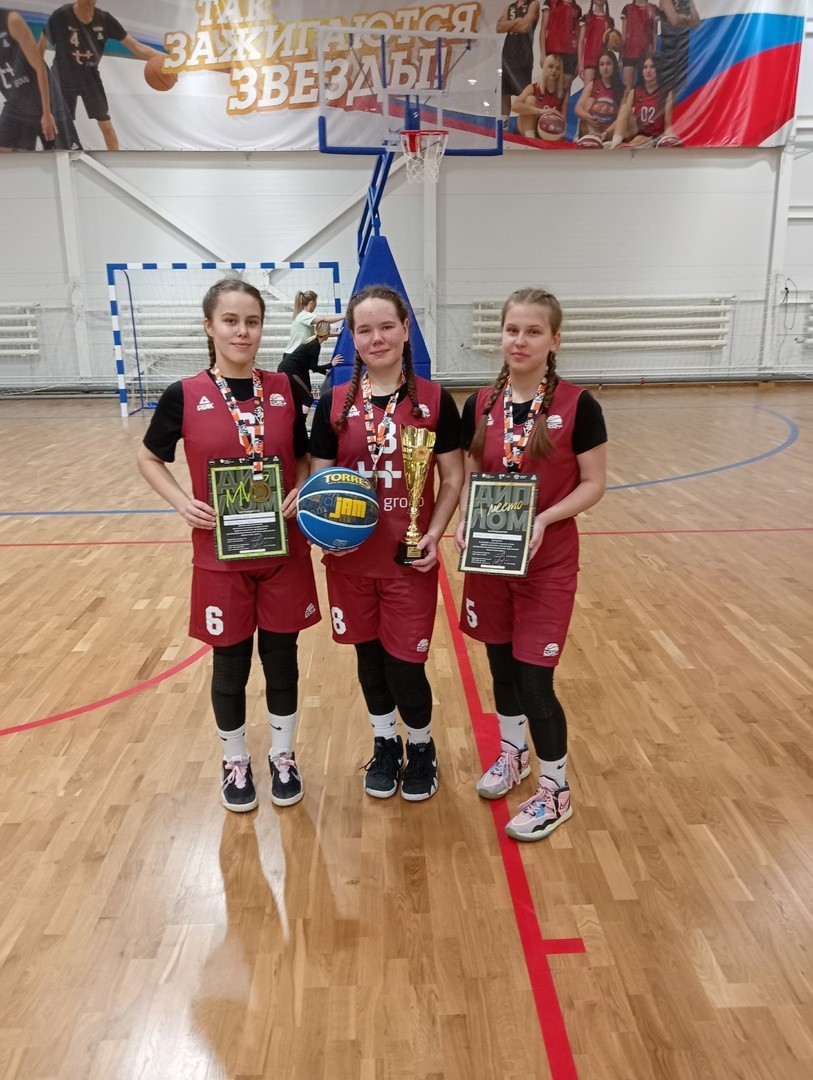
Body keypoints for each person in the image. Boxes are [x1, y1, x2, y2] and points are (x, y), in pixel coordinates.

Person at [137, 278, 321, 813]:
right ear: (209, 326)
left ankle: (283, 755)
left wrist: (301, 486)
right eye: (231, 321)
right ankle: (234, 759)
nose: (243, 332)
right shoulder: (183, 394)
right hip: (220, 554)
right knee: (231, 662)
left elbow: (303, 456)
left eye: (252, 322)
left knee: (282, 658)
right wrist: (180, 502)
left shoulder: (286, 388)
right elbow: (149, 457)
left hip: (282, 550)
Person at [454, 288, 607, 842]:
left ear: (554, 340)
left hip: (547, 563)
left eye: (533, 331)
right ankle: (513, 754)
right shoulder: (480, 403)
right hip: (492, 559)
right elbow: (474, 470)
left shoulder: (579, 405)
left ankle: (555, 790)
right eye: (512, 330)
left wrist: (545, 518)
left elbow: (594, 483)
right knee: (501, 670)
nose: (520, 341)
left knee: (535, 681)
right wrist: (466, 519)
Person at [309, 285, 463, 802]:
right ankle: (385, 743)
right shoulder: (333, 405)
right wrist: (327, 536)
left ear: (405, 330)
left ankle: (421, 745)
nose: (377, 338)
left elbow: (453, 478)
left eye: (386, 327)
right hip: (350, 561)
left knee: (405, 666)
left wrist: (434, 534)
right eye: (365, 329)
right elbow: (319, 484)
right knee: (369, 660)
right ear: (353, 339)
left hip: (407, 561)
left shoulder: (436, 401)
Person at [39, 1, 165, 150]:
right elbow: (40, 47)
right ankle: (58, 159)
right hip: (63, 77)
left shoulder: (104, 19)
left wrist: (169, 60)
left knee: (106, 125)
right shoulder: (61, 16)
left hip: (90, 77)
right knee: (60, 126)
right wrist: (37, 74)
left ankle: (115, 160)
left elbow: (137, 48)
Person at [0, 7, 56, 150]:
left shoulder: (11, 20)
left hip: (41, 101)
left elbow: (39, 66)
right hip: (15, 104)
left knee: (57, 153)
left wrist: (47, 112)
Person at [277, 319, 344, 417]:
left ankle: (294, 419)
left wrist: (325, 372)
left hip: (294, 369)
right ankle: (300, 422)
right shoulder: (315, 345)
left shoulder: (313, 339)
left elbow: (309, 365)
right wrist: (331, 364)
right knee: (308, 398)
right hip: (291, 370)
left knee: (301, 395)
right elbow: (314, 368)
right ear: (326, 334)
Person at [612, 52, 674, 147]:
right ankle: (614, 146)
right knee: (624, 108)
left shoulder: (666, 94)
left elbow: (668, 126)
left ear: (658, 69)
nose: (648, 70)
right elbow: (622, 118)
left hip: (653, 137)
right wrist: (605, 133)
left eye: (652, 67)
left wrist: (652, 140)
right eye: (645, 67)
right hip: (635, 133)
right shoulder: (635, 92)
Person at [496, 1, 540, 124]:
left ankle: (525, 128)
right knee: (503, 94)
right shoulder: (509, 7)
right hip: (506, 56)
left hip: (523, 57)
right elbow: (499, 28)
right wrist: (517, 20)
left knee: (525, 96)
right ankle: (504, 128)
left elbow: (525, 27)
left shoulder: (533, 4)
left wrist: (508, 24)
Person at [513, 53, 567, 140]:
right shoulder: (532, 88)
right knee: (530, 99)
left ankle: (539, 141)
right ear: (545, 67)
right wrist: (542, 111)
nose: (554, 70)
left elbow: (563, 120)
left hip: (546, 133)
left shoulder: (563, 93)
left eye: (558, 68)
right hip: (525, 130)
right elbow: (515, 107)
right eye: (550, 66)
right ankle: (530, 139)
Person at [574, 49, 625, 142]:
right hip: (591, 127)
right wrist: (587, 117)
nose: (605, 67)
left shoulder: (621, 89)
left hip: (609, 130)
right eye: (602, 64)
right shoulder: (592, 84)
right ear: (598, 67)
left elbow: (622, 117)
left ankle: (606, 139)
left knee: (623, 111)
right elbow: (577, 109)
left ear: (614, 65)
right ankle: (594, 137)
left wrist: (607, 132)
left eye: (608, 64)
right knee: (589, 101)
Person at [539, 0, 582, 101]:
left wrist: (580, 60)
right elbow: (543, 29)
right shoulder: (550, 2)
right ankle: (550, 110)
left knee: (565, 89)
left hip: (570, 53)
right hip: (552, 50)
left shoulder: (576, 8)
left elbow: (577, 33)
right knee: (550, 87)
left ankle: (563, 112)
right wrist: (542, 55)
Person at [282, 291, 344, 358]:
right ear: (312, 302)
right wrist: (344, 317)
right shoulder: (304, 315)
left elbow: (320, 333)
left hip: (296, 354)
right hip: (294, 355)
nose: (316, 306)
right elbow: (325, 320)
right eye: (316, 303)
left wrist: (337, 334)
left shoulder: (305, 318)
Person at [658, 0, 700, 96]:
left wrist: (682, 18)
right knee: (668, 89)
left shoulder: (687, 1)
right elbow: (674, 20)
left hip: (683, 50)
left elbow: (697, 22)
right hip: (669, 51)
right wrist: (688, 19)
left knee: (681, 88)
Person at [620, 0, 660, 89]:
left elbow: (654, 34)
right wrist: (620, 58)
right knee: (627, 88)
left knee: (645, 87)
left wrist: (653, 54)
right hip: (629, 53)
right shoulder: (627, 8)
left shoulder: (654, 9)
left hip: (646, 55)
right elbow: (623, 35)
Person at [578, 0, 614, 85]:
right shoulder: (587, 18)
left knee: (603, 90)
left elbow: (611, 43)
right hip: (589, 61)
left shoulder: (609, 20)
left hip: (604, 62)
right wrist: (580, 64)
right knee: (588, 90)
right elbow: (581, 42)